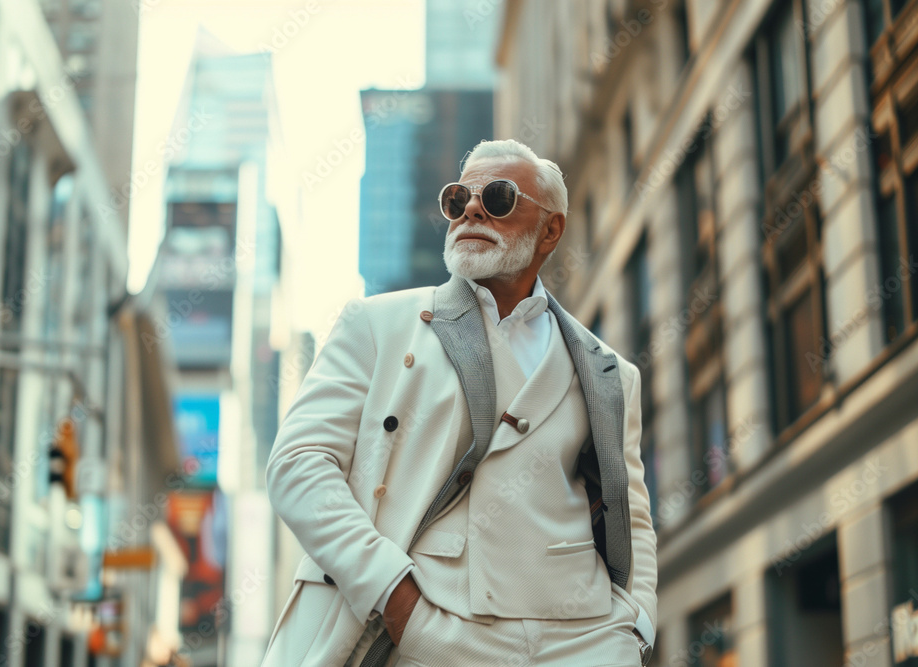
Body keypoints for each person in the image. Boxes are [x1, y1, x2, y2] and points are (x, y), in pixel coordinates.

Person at [263, 139, 657, 666]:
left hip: (579, 638)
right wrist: (396, 600)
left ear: (551, 230)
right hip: (424, 629)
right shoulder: (378, 325)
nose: (471, 208)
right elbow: (297, 465)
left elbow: (630, 515)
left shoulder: (610, 371)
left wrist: (634, 629)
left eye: (498, 197)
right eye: (458, 199)